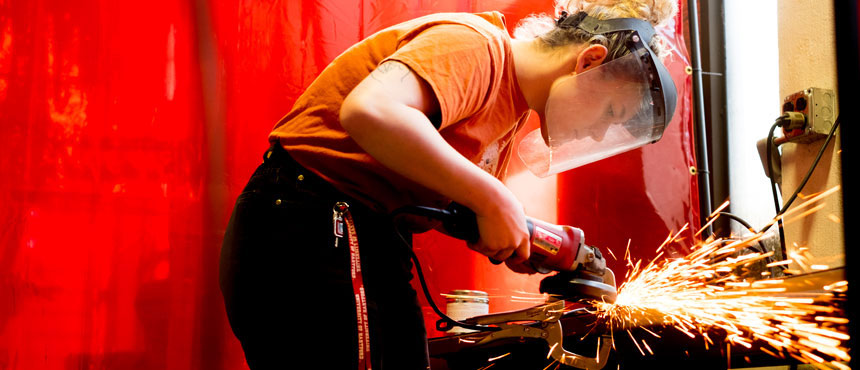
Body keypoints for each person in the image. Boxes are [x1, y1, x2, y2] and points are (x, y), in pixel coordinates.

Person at [218, 0, 678, 368]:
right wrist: (491, 196)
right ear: (589, 60)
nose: (600, 133)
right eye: (612, 114)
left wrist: (518, 236)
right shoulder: (475, 47)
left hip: (368, 234)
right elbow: (371, 111)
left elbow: (437, 195)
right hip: (312, 221)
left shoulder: (509, 116)